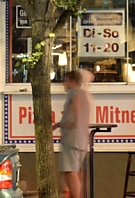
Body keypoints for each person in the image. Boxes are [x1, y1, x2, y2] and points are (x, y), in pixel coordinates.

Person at [53, 69, 92, 198]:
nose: (64, 84)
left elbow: (76, 104)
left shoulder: (73, 92)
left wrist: (72, 122)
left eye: (66, 81)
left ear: (72, 82)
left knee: (71, 171)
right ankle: (65, 194)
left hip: (72, 139)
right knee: (66, 170)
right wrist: (60, 123)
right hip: (80, 139)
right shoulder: (84, 95)